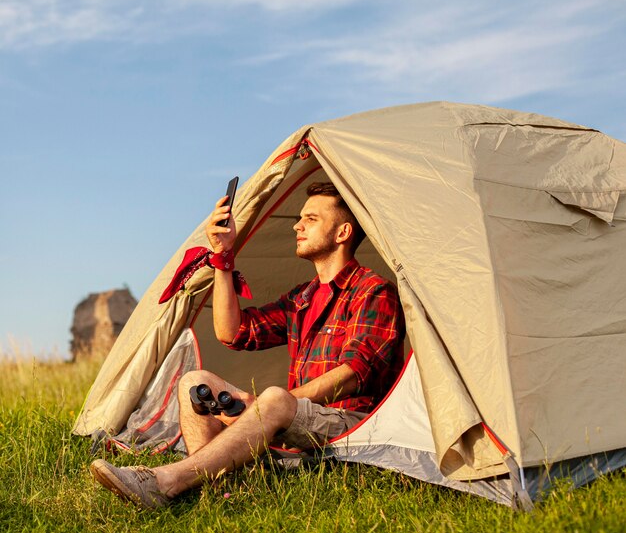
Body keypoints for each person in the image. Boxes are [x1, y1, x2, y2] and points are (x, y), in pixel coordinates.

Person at [90, 182, 405, 508]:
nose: (297, 225)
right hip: (303, 419)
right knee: (194, 383)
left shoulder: (373, 291)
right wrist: (223, 259)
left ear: (342, 232)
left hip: (355, 424)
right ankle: (216, 490)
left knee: (275, 399)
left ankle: (164, 482)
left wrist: (265, 405)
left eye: (310, 218)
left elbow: (352, 374)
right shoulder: (303, 298)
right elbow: (234, 332)